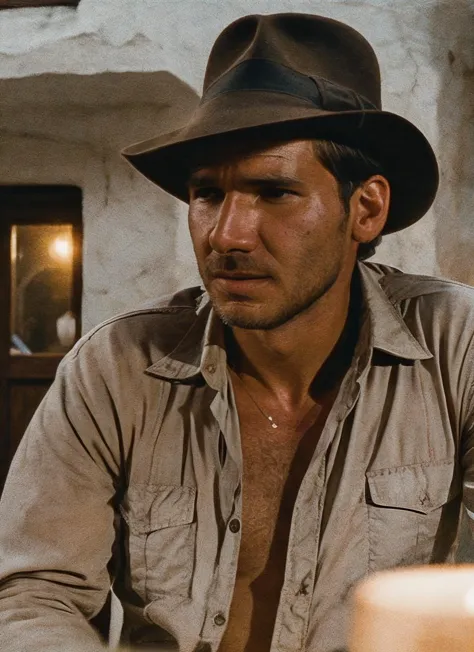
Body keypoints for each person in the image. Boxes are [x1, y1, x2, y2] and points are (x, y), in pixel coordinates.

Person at [0, 12, 472, 652]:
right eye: (207, 194)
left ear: (366, 209)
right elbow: (33, 592)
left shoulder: (457, 347)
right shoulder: (117, 367)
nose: (226, 234)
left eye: (272, 192)